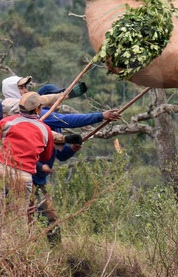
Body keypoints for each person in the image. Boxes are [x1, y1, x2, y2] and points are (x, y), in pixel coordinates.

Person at [29, 83, 116, 243]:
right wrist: (101, 116)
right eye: (57, 96)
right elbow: (69, 120)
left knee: (49, 219)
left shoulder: (54, 123)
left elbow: (61, 155)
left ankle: (54, 254)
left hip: (40, 181)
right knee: (34, 218)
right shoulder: (45, 116)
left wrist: (73, 149)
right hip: (29, 177)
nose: (60, 100)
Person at [0, 92, 55, 228]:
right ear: (38, 109)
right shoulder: (46, 130)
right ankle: (9, 247)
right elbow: (46, 156)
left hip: (0, 170)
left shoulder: (6, 122)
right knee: (16, 220)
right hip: (24, 176)